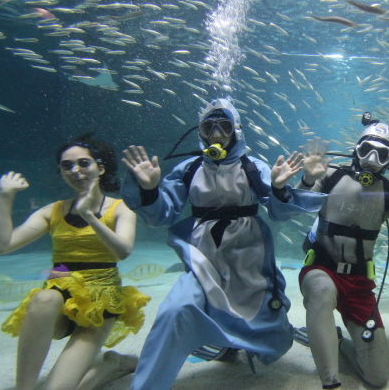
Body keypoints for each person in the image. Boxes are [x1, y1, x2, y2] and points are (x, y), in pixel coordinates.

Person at [120, 97, 326, 390]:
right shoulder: (189, 168)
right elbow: (161, 215)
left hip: (250, 255)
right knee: (175, 309)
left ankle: (239, 343)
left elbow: (280, 213)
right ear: (200, 132)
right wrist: (150, 190)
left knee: (262, 312)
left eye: (224, 126)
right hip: (203, 257)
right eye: (209, 127)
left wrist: (283, 187)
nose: (216, 135)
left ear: (237, 130)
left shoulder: (253, 167)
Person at [294, 114, 389, 390]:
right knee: (320, 290)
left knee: (378, 377)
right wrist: (307, 181)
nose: (371, 160)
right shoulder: (330, 176)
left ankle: (337, 340)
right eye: (366, 150)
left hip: (359, 284)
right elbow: (291, 210)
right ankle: (329, 383)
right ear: (356, 148)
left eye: (381, 154)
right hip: (321, 269)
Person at [0, 134, 150, 390]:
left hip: (100, 304)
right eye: (67, 165)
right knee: (44, 297)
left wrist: (89, 215)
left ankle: (113, 364)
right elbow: (0, 246)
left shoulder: (120, 208)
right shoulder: (52, 211)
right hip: (59, 302)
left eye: (84, 163)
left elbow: (123, 251)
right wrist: (4, 197)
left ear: (101, 167)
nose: (75, 170)